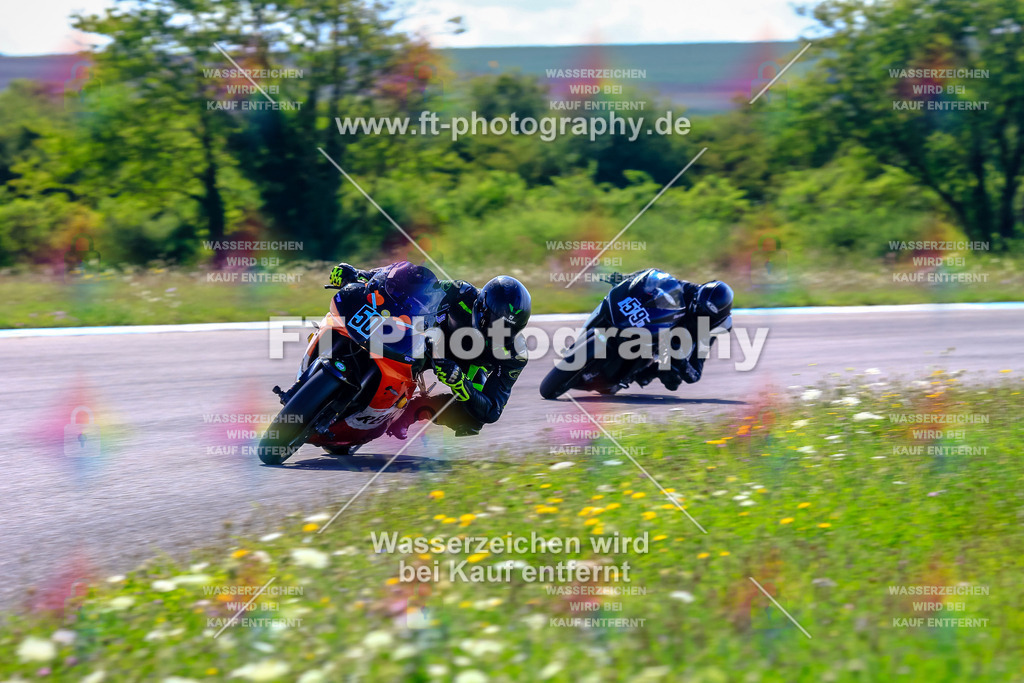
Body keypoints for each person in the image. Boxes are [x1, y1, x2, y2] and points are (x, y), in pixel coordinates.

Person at [329, 262, 532, 437]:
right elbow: (412, 283)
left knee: (473, 419)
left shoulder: (516, 354)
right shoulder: (461, 292)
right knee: (386, 325)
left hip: (465, 368)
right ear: (482, 307)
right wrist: (362, 274)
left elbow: (492, 409)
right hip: (429, 341)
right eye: (495, 324)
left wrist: (461, 383)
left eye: (508, 329)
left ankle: (413, 410)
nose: (498, 333)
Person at [609, 269, 734, 391]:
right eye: (699, 306)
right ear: (698, 296)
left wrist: (680, 360)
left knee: (672, 380)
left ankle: (647, 372)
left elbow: (695, 374)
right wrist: (627, 279)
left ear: (717, 318)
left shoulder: (715, 328)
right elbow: (652, 281)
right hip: (665, 322)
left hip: (684, 338)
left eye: (705, 314)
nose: (698, 311)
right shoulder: (690, 289)